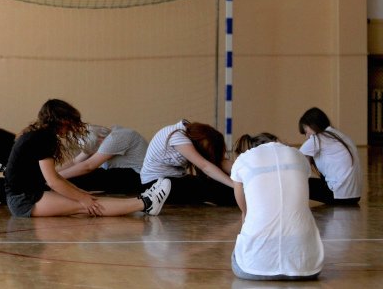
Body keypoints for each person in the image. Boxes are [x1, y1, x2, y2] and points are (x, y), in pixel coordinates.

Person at [4, 99, 171, 218]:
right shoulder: (43, 138)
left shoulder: (37, 135)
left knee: (87, 200)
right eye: (70, 123)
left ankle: (143, 201)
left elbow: (54, 177)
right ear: (62, 120)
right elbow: (53, 180)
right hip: (24, 201)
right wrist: (81, 198)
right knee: (86, 205)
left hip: (28, 195)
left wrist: (80, 192)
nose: (71, 129)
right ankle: (146, 203)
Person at [231, 132, 323, 281]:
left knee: (239, 251)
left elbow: (245, 211)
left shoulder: (242, 160)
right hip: (306, 269)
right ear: (277, 142)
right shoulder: (299, 156)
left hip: (253, 270)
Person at [140, 119, 235, 205]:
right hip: (155, 186)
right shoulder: (177, 137)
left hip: (168, 181)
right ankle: (241, 197)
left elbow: (219, 162)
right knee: (208, 188)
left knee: (210, 186)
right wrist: (234, 185)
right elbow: (205, 166)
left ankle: (240, 195)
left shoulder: (189, 132)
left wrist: (243, 177)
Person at [58, 124, 148, 195]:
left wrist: (54, 178)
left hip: (141, 179)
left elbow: (88, 166)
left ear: (101, 140)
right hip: (128, 174)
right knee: (75, 176)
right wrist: (50, 173)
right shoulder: (96, 138)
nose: (93, 154)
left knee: (88, 177)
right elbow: (76, 161)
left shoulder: (115, 139)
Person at [298, 107, 362, 205]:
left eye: (306, 131)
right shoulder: (338, 135)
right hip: (354, 196)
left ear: (313, 125)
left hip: (339, 196)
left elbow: (294, 158)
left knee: (295, 183)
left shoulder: (320, 138)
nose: (307, 136)